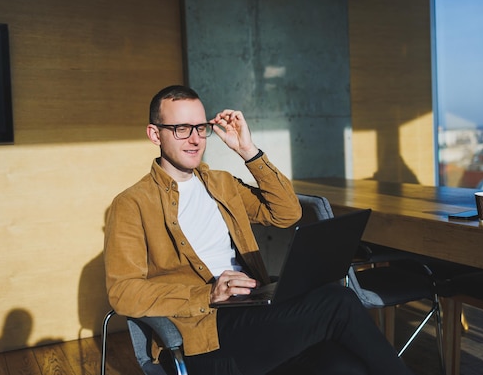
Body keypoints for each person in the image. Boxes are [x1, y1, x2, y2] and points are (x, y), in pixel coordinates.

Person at [104, 85, 414, 375]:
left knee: (344, 365)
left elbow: (286, 213)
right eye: (181, 129)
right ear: (155, 134)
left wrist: (249, 151)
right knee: (339, 301)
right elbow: (123, 292)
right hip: (207, 332)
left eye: (201, 128)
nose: (195, 139)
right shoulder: (131, 203)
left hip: (255, 309)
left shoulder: (221, 183)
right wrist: (208, 292)